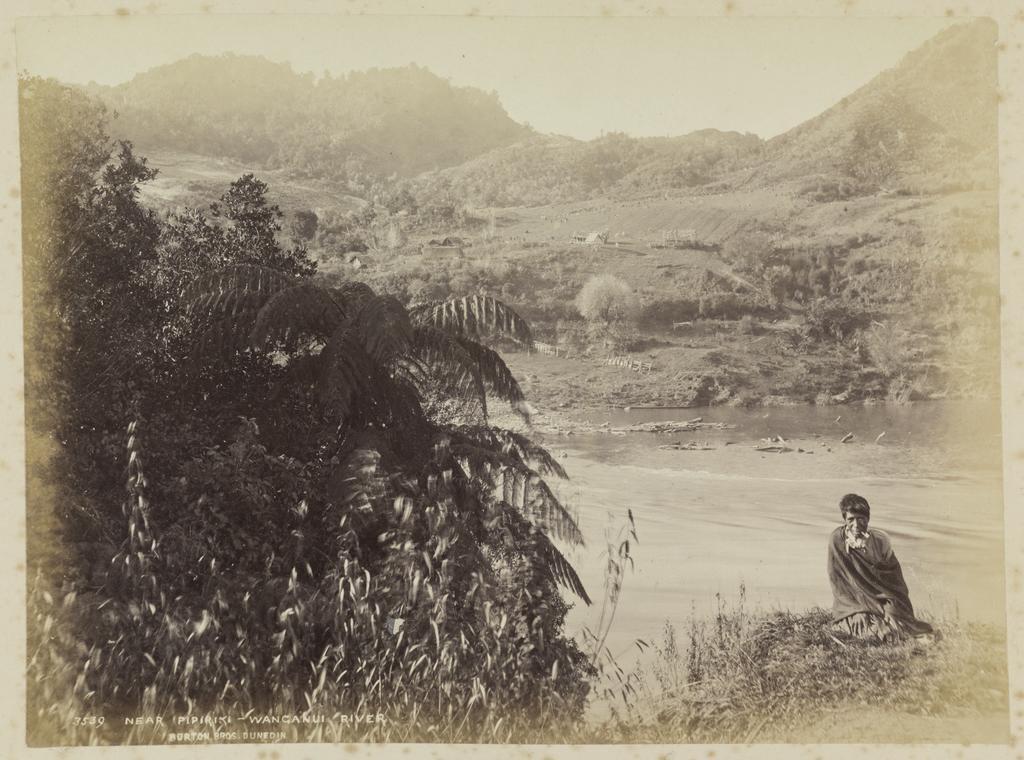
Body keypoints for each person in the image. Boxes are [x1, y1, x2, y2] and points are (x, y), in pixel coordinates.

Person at [827, 493, 935, 642]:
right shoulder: (836, 540)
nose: (856, 525)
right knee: (864, 622)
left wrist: (887, 604)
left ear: (868, 519)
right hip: (854, 602)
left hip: (884, 597)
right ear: (844, 520)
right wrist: (858, 603)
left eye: (861, 519)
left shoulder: (880, 540)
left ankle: (905, 634)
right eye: (851, 519)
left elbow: (893, 577)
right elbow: (838, 581)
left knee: (895, 618)